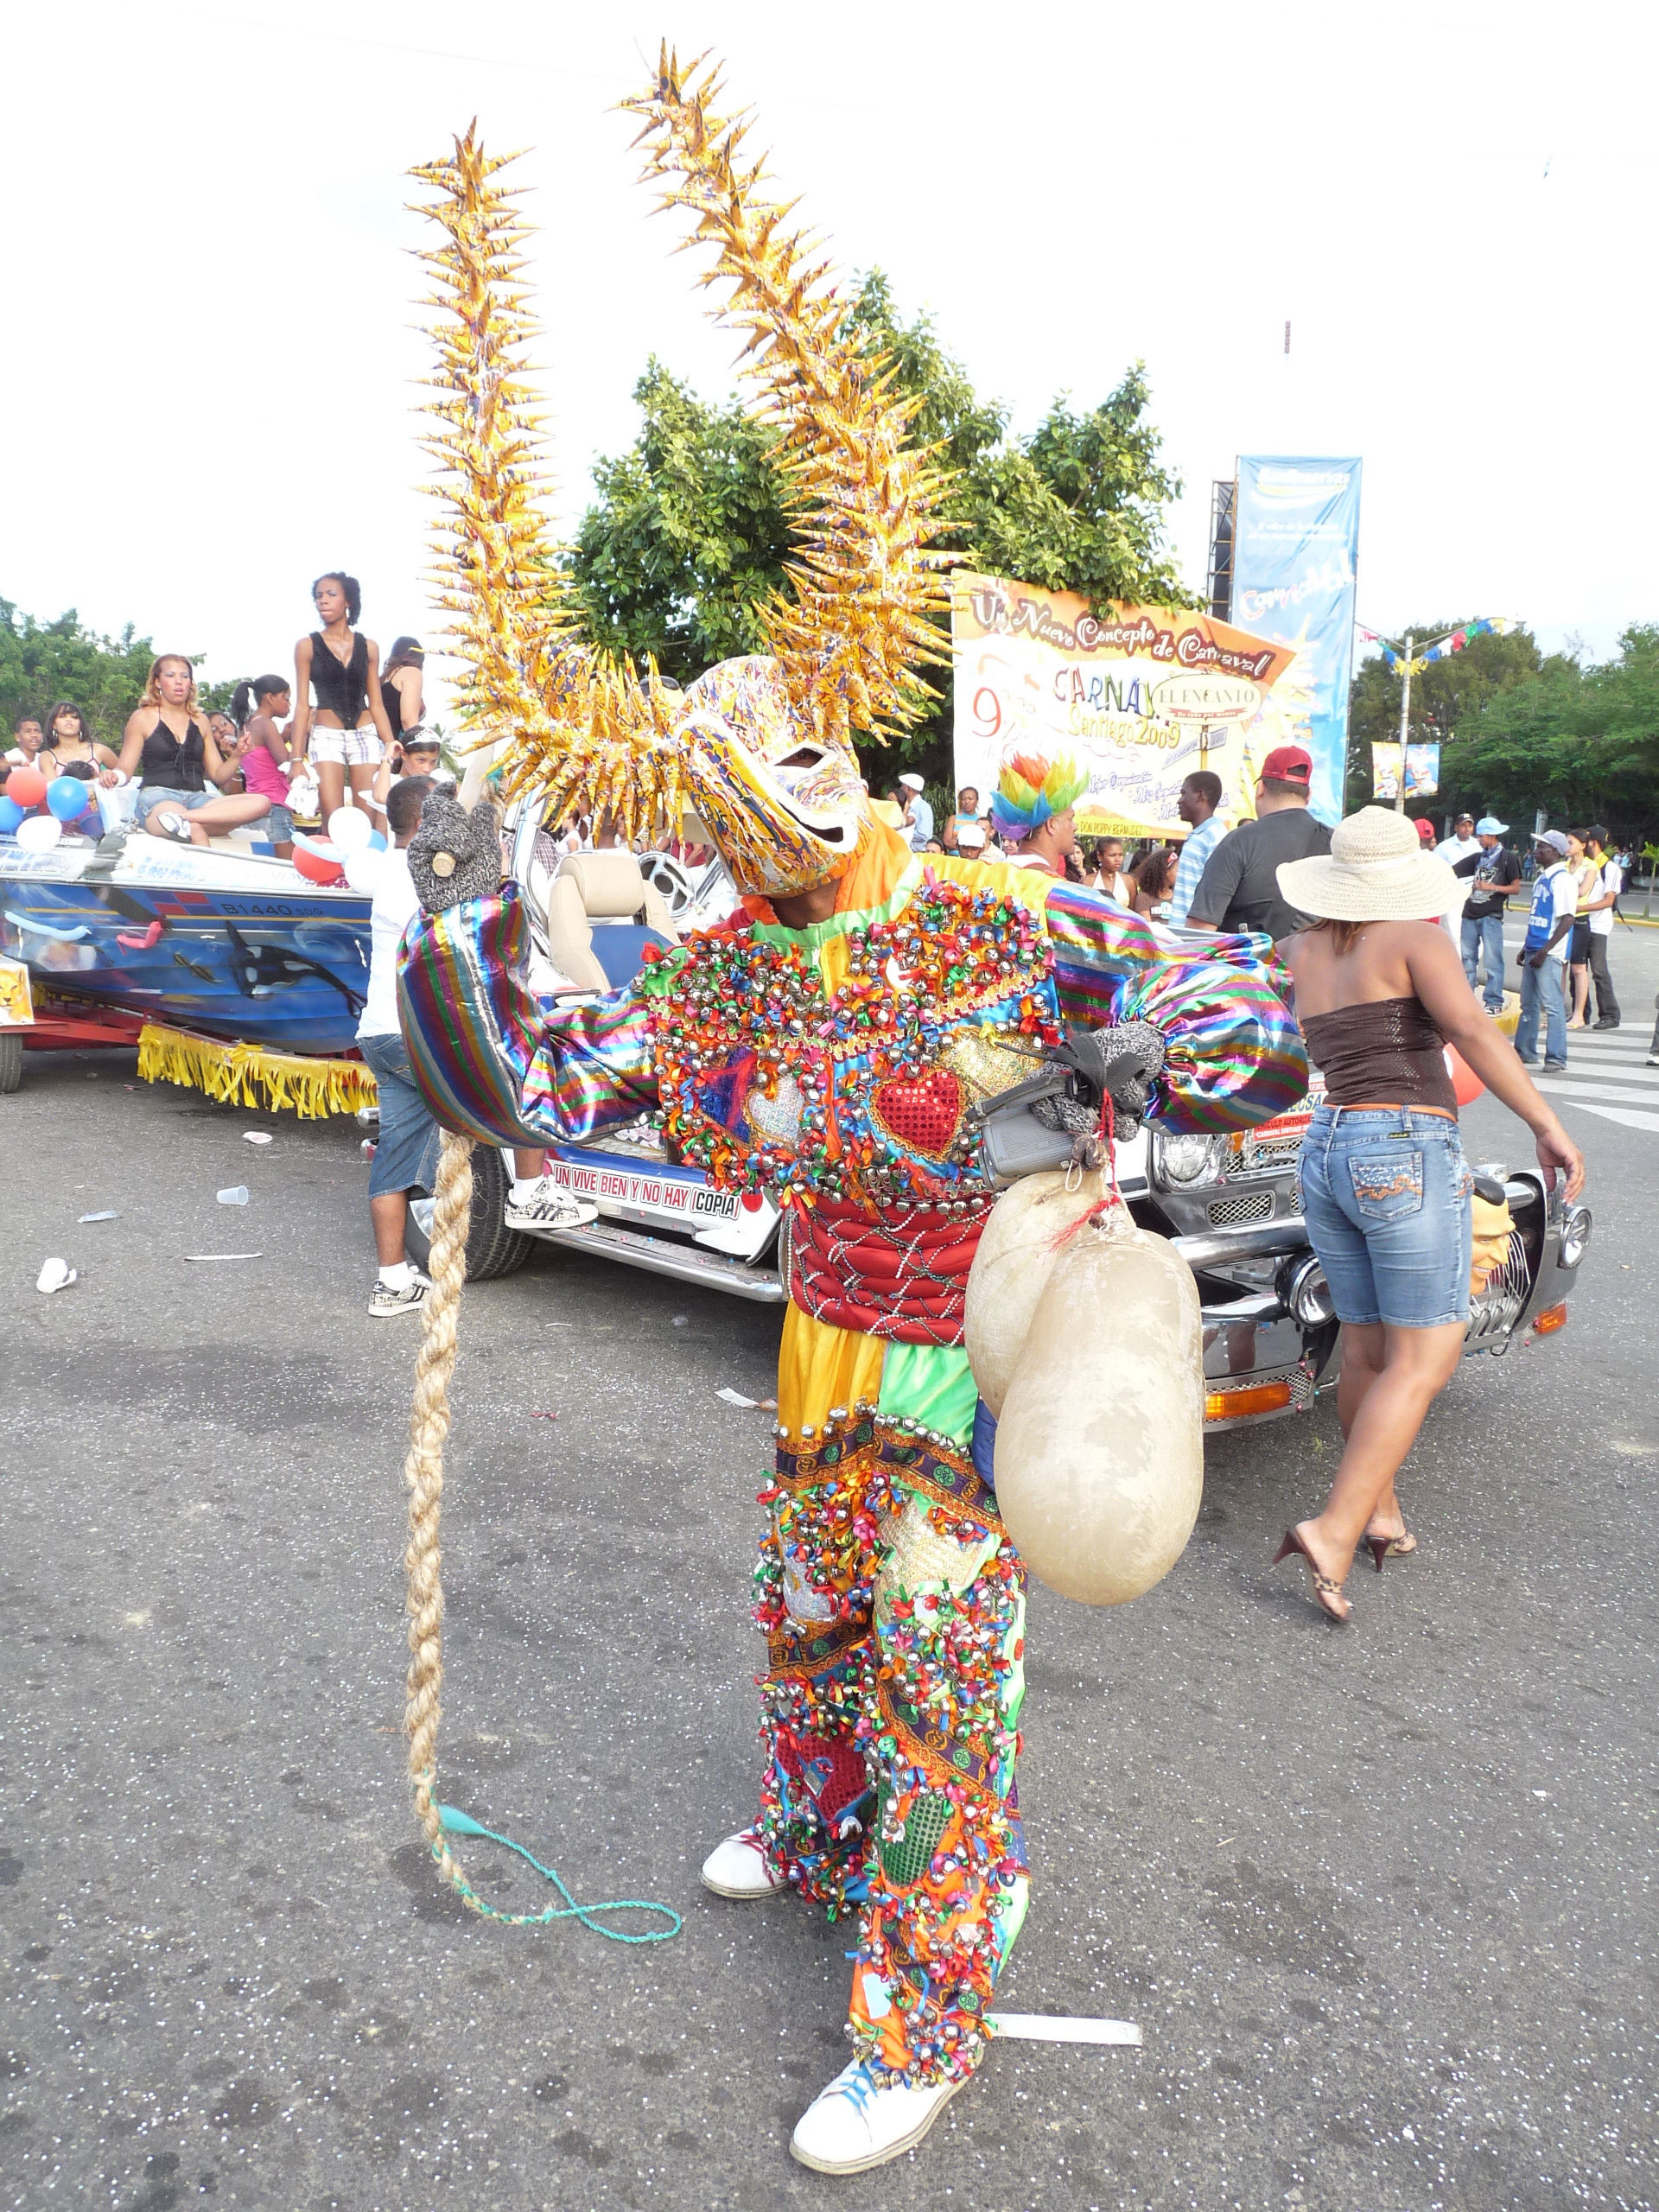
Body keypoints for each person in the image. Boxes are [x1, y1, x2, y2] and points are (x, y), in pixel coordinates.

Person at [394, 95, 1311, 2174]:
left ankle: (925, 1991)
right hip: (817, 1344)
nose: (756, 821)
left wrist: (1154, 1033)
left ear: (841, 735)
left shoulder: (1001, 905)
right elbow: (606, 1087)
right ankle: (820, 1833)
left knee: (937, 1671)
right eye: (717, 805)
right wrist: (481, 1022)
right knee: (802, 1616)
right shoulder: (732, 955)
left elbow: (1230, 1011)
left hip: (968, 1357)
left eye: (780, 774)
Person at [1274, 807, 1585, 1622]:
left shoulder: (1300, 951)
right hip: (1402, 1148)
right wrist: (1546, 1125)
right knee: (1427, 1355)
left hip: (1327, 1147)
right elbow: (1474, 1030)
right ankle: (1334, 1528)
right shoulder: (1415, 941)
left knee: (1371, 1348)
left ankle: (1379, 1513)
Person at [117, 655, 272, 844]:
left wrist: (237, 755)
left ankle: (185, 819)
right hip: (159, 798)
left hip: (199, 799)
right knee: (192, 827)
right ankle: (185, 822)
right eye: (171, 675)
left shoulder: (201, 720)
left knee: (261, 802)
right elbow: (125, 769)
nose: (179, 682)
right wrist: (114, 776)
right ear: (157, 682)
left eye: (184, 676)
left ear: (191, 682)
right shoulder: (142, 717)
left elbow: (217, 774)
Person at [1185, 744, 1332, 940]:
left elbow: (1199, 931)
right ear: (1308, 795)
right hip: (1316, 969)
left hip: (1249, 969)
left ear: (1260, 788)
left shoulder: (1239, 841)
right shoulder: (1335, 844)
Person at [290, 570, 396, 827]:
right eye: (318, 596)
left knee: (368, 813)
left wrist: (391, 743)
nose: (323, 600)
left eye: (331, 594)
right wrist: (295, 758)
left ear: (347, 600)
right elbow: (303, 705)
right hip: (327, 734)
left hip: (365, 731)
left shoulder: (368, 646)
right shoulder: (307, 645)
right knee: (332, 816)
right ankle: (331, 866)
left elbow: (377, 703)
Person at [1513, 830, 1576, 1069]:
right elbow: (1538, 916)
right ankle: (1525, 1050)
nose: (1537, 851)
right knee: (1528, 1003)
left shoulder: (1562, 880)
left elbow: (1568, 919)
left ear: (1556, 852)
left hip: (1547, 953)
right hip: (1534, 948)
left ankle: (1556, 1057)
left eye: (1543, 847)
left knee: (1552, 1005)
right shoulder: (1542, 878)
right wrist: (1526, 947)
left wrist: (1544, 951)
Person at [230, 675, 298, 857]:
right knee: (288, 868)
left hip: (254, 806)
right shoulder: (266, 724)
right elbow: (287, 764)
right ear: (269, 697)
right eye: (286, 698)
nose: (289, 704)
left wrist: (284, 736)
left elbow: (262, 758)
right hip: (274, 807)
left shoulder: (246, 725)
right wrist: (301, 735)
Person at [1459, 817, 1522, 1014]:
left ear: (1491, 836)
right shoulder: (1478, 858)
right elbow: (1452, 871)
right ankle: (1465, 999)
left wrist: (1492, 887)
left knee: (1493, 961)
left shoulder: (1508, 858)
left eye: (1481, 836)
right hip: (1470, 913)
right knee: (1467, 959)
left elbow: (1516, 888)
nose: (1478, 839)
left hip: (1491, 915)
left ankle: (1494, 1001)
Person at [987, 753, 1084, 875]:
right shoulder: (1049, 885)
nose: (1075, 827)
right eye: (1070, 819)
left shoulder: (998, 872)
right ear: (1052, 824)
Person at [1168, 771, 1224, 925]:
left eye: (1183, 793)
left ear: (1200, 795)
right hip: (1182, 935)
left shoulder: (1215, 836)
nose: (1179, 801)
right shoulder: (1199, 835)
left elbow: (1216, 895)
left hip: (1195, 938)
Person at [1563, 830, 1605, 1031]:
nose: (1567, 846)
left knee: (1578, 967)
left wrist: (1564, 890)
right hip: (1562, 919)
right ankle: (1558, 1012)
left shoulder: (1591, 865)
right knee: (1560, 966)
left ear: (1582, 845)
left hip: (1579, 920)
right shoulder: (1563, 866)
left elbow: (1582, 891)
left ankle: (1579, 1014)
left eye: (1570, 842)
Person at [1580, 826, 1621, 1028]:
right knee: (1578, 970)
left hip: (1598, 925)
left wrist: (1581, 908)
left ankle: (1610, 1015)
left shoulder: (1610, 868)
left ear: (1594, 842)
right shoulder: (1585, 865)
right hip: (1581, 923)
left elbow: (1608, 901)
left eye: (1586, 840)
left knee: (1598, 970)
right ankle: (1581, 1013)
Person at [41, 703, 122, 785]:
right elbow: (53, 789)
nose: (69, 720)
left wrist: (109, 774)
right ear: (53, 724)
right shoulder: (47, 757)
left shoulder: (99, 750)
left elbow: (124, 775)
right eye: (62, 716)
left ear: (80, 723)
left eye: (74, 717)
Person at [380, 636, 426, 741]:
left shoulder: (385, 678)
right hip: (393, 747)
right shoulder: (412, 672)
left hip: (377, 742)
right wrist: (419, 748)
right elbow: (408, 720)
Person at [1131, 842, 1178, 918]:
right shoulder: (1144, 898)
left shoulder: (1178, 897)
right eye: (1177, 870)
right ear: (1165, 871)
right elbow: (1147, 926)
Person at [896, 770, 933, 849]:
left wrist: (901, 833)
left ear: (909, 789)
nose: (900, 788)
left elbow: (923, 834)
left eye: (902, 786)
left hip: (918, 853)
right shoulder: (906, 806)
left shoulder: (923, 807)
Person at [941, 785, 980, 852]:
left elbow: (981, 843)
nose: (967, 801)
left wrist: (957, 843)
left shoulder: (980, 821)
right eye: (964, 799)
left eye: (970, 799)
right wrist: (970, 845)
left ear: (977, 801)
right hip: (954, 859)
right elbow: (947, 841)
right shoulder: (953, 819)